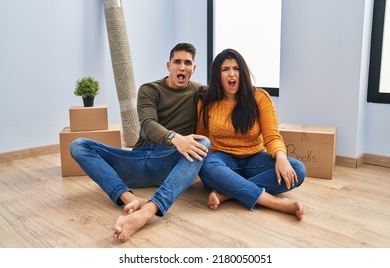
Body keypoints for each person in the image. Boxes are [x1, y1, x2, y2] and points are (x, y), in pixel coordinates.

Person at [70, 43, 210, 242]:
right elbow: (147, 125)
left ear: (193, 69)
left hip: (167, 163)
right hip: (136, 160)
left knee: (203, 143)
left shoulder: (200, 92)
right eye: (177, 62)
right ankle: (129, 199)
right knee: (79, 145)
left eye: (187, 63)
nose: (181, 67)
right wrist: (174, 138)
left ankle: (148, 211)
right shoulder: (149, 89)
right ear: (168, 65)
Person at [196, 48, 305, 219]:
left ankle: (228, 193)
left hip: (255, 160)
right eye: (225, 69)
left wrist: (281, 158)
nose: (231, 74)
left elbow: (272, 136)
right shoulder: (206, 102)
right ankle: (275, 203)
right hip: (223, 161)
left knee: (297, 169)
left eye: (236, 68)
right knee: (206, 166)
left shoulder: (260, 97)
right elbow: (203, 139)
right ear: (217, 75)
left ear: (243, 72)